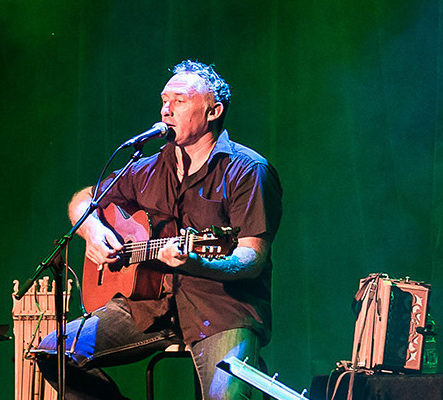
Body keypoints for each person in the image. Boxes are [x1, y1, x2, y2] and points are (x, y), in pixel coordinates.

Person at [38, 60, 281, 400]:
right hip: (148, 307)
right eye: (164, 100)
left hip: (221, 310)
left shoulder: (247, 170)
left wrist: (196, 263)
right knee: (52, 351)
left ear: (214, 111)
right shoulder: (146, 169)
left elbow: (250, 258)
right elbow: (83, 200)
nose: (166, 110)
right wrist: (92, 231)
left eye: (179, 100)